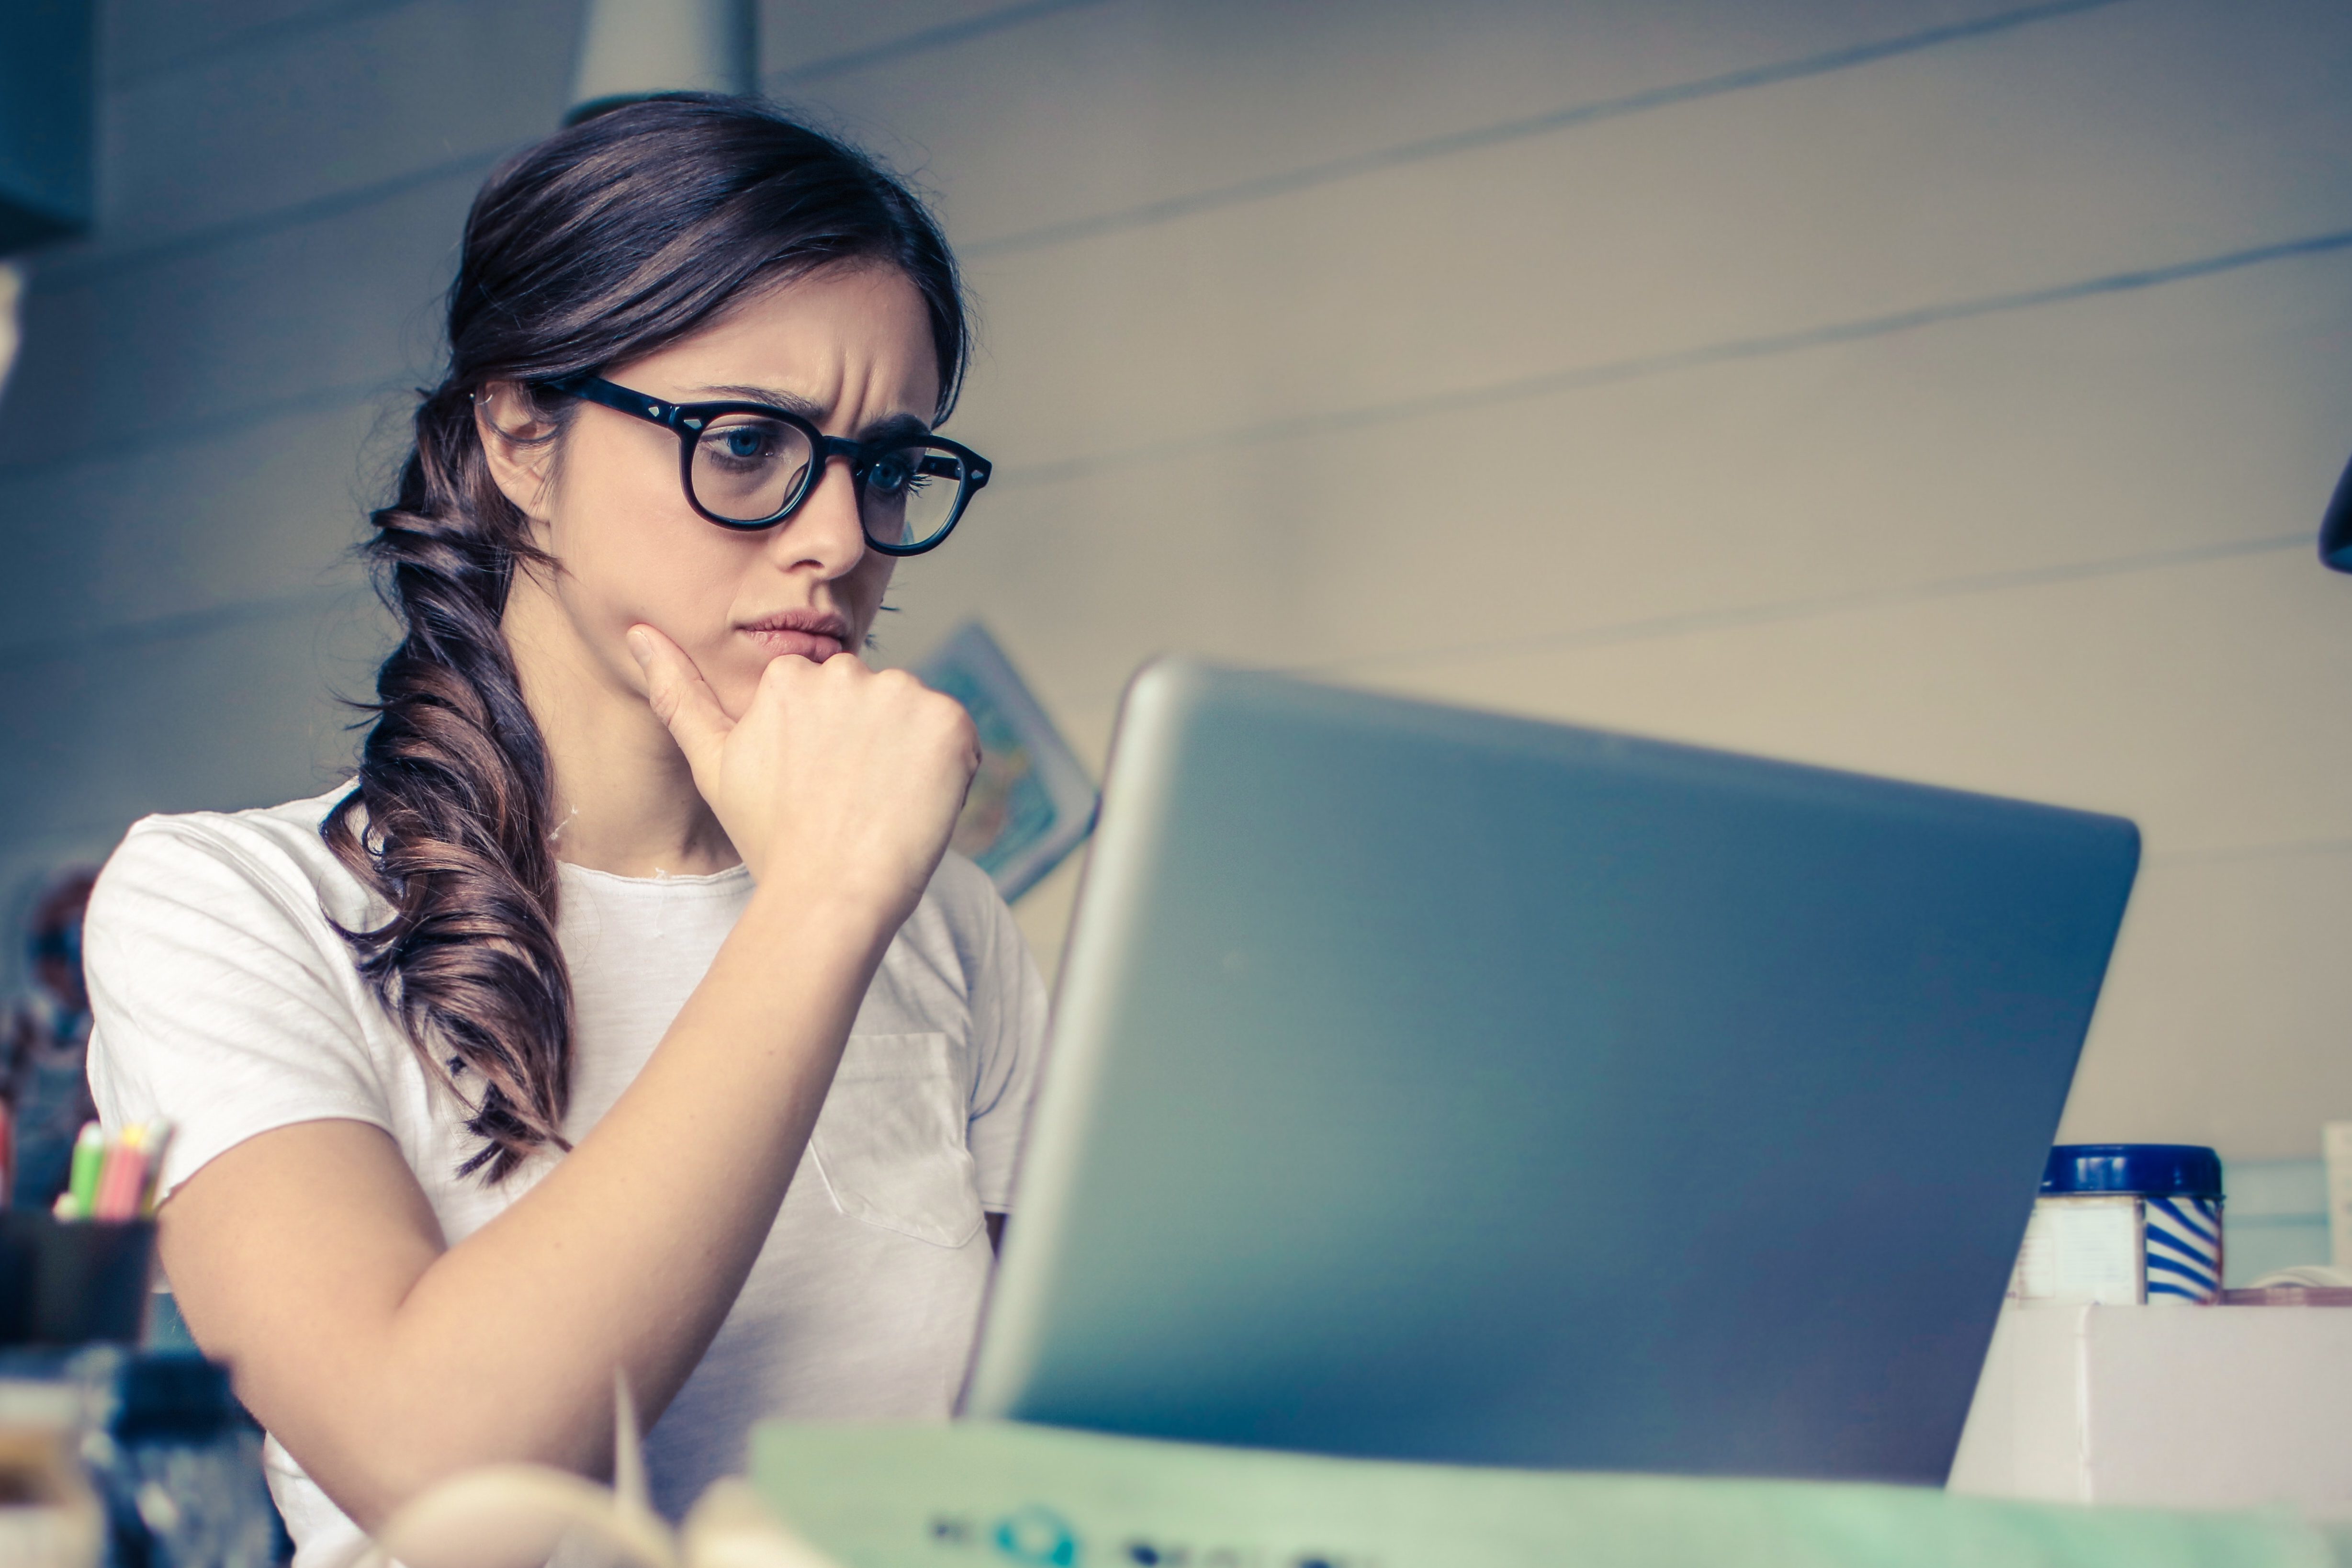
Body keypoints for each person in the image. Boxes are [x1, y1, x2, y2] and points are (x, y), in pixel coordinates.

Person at [80, 96, 1044, 1568]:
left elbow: (1048, 1458)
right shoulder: (227, 905)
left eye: (888, 466)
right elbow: (442, 1463)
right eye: (742, 443)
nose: (841, 539)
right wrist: (824, 902)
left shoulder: (947, 922)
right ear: (522, 437)